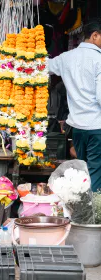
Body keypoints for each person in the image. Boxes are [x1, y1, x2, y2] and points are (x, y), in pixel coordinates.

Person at [49, 18, 101, 192]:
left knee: (81, 172)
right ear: (95, 36)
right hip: (97, 127)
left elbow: (43, 66)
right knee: (95, 171)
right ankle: (93, 214)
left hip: (77, 127)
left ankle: (81, 212)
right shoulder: (99, 60)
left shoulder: (66, 58)